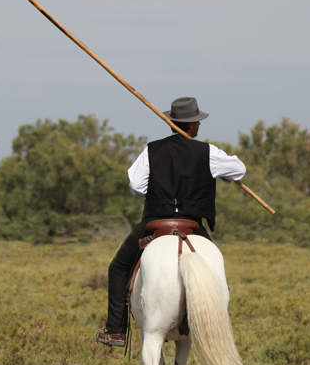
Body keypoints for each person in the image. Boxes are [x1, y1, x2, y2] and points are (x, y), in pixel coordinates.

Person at [94, 96, 246, 347]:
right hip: (192, 225)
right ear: (193, 125)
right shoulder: (209, 152)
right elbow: (239, 169)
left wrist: (156, 192)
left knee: (119, 268)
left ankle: (115, 331)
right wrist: (223, 176)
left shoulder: (152, 150)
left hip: (156, 222)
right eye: (197, 122)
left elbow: (135, 184)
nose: (199, 126)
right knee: (216, 269)